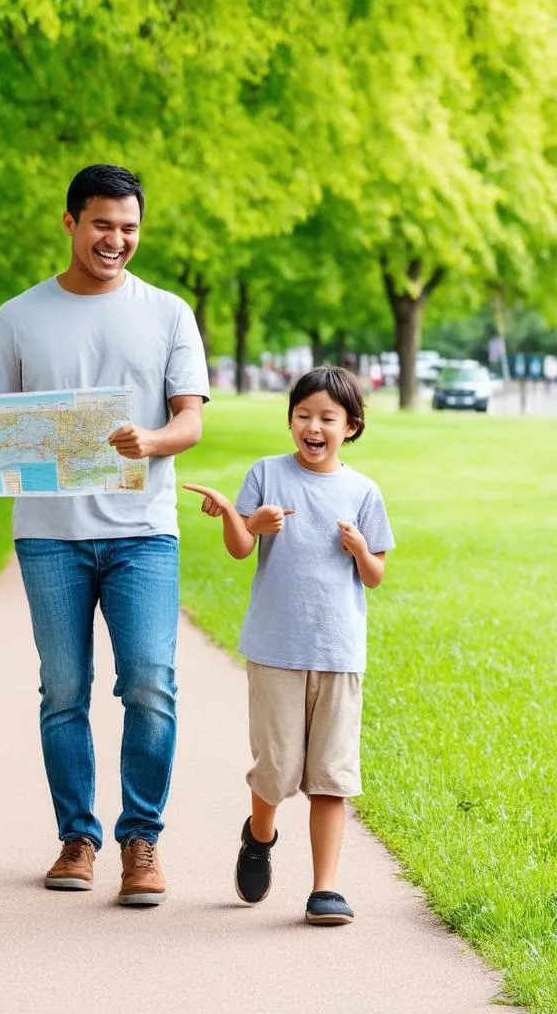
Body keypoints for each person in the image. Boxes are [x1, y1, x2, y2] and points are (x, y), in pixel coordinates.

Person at [0, 164, 209, 905]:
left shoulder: (169, 312)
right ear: (71, 223)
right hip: (50, 537)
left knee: (149, 684)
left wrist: (151, 440)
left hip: (143, 532)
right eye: (104, 224)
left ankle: (140, 840)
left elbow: (190, 419)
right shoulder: (19, 316)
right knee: (64, 690)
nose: (117, 239)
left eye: (130, 227)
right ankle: (76, 838)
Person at [184, 365, 395, 925]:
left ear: (351, 426)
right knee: (276, 768)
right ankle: (259, 837)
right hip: (275, 648)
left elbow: (375, 575)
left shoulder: (363, 491)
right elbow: (237, 547)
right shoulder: (265, 474)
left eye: (328, 417)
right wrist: (244, 518)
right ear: (290, 421)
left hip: (338, 651)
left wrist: (357, 549)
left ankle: (325, 888)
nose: (313, 426)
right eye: (303, 415)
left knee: (330, 773)